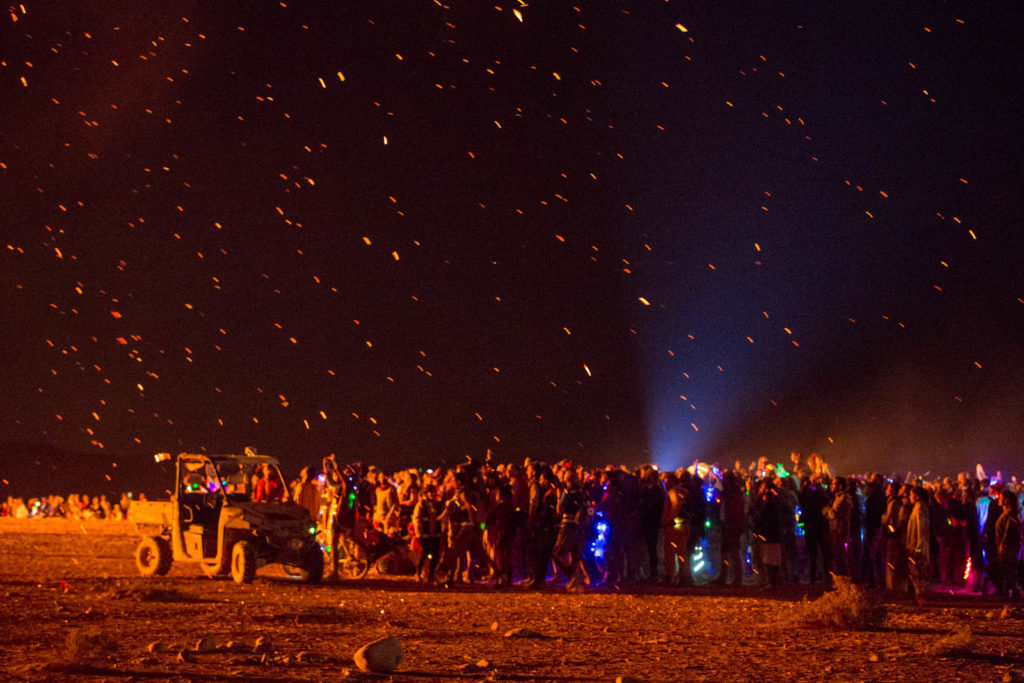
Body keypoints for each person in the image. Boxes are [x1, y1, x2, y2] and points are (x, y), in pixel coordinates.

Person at [906, 486, 931, 605]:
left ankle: (921, 598)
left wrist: (918, 548)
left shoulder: (920, 508)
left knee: (918, 573)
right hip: (915, 546)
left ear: (917, 496)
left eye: (911, 494)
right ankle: (918, 597)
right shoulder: (917, 508)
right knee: (915, 573)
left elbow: (921, 530)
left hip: (918, 547)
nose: (909, 497)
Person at [994, 489, 1021, 598]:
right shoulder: (1006, 513)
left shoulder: (1009, 514)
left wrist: (1003, 545)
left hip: (1007, 547)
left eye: (1001, 498)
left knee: (1007, 568)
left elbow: (1008, 531)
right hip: (1006, 546)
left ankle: (1009, 590)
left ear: (1006, 500)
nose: (998, 500)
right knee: (1007, 568)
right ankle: (1009, 590)